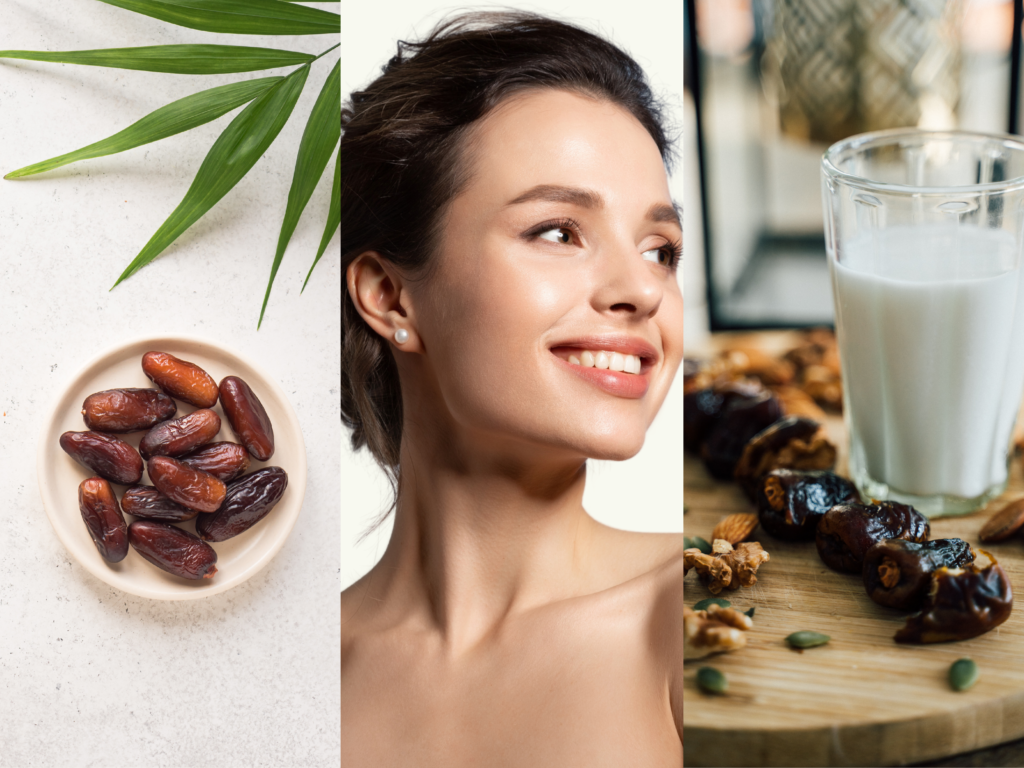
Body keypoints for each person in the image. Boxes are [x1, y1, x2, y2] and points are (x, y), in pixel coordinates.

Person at [340, 12, 686, 765]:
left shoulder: (690, 617)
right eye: (559, 231)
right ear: (391, 296)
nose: (642, 290)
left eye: (661, 249)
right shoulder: (294, 673)